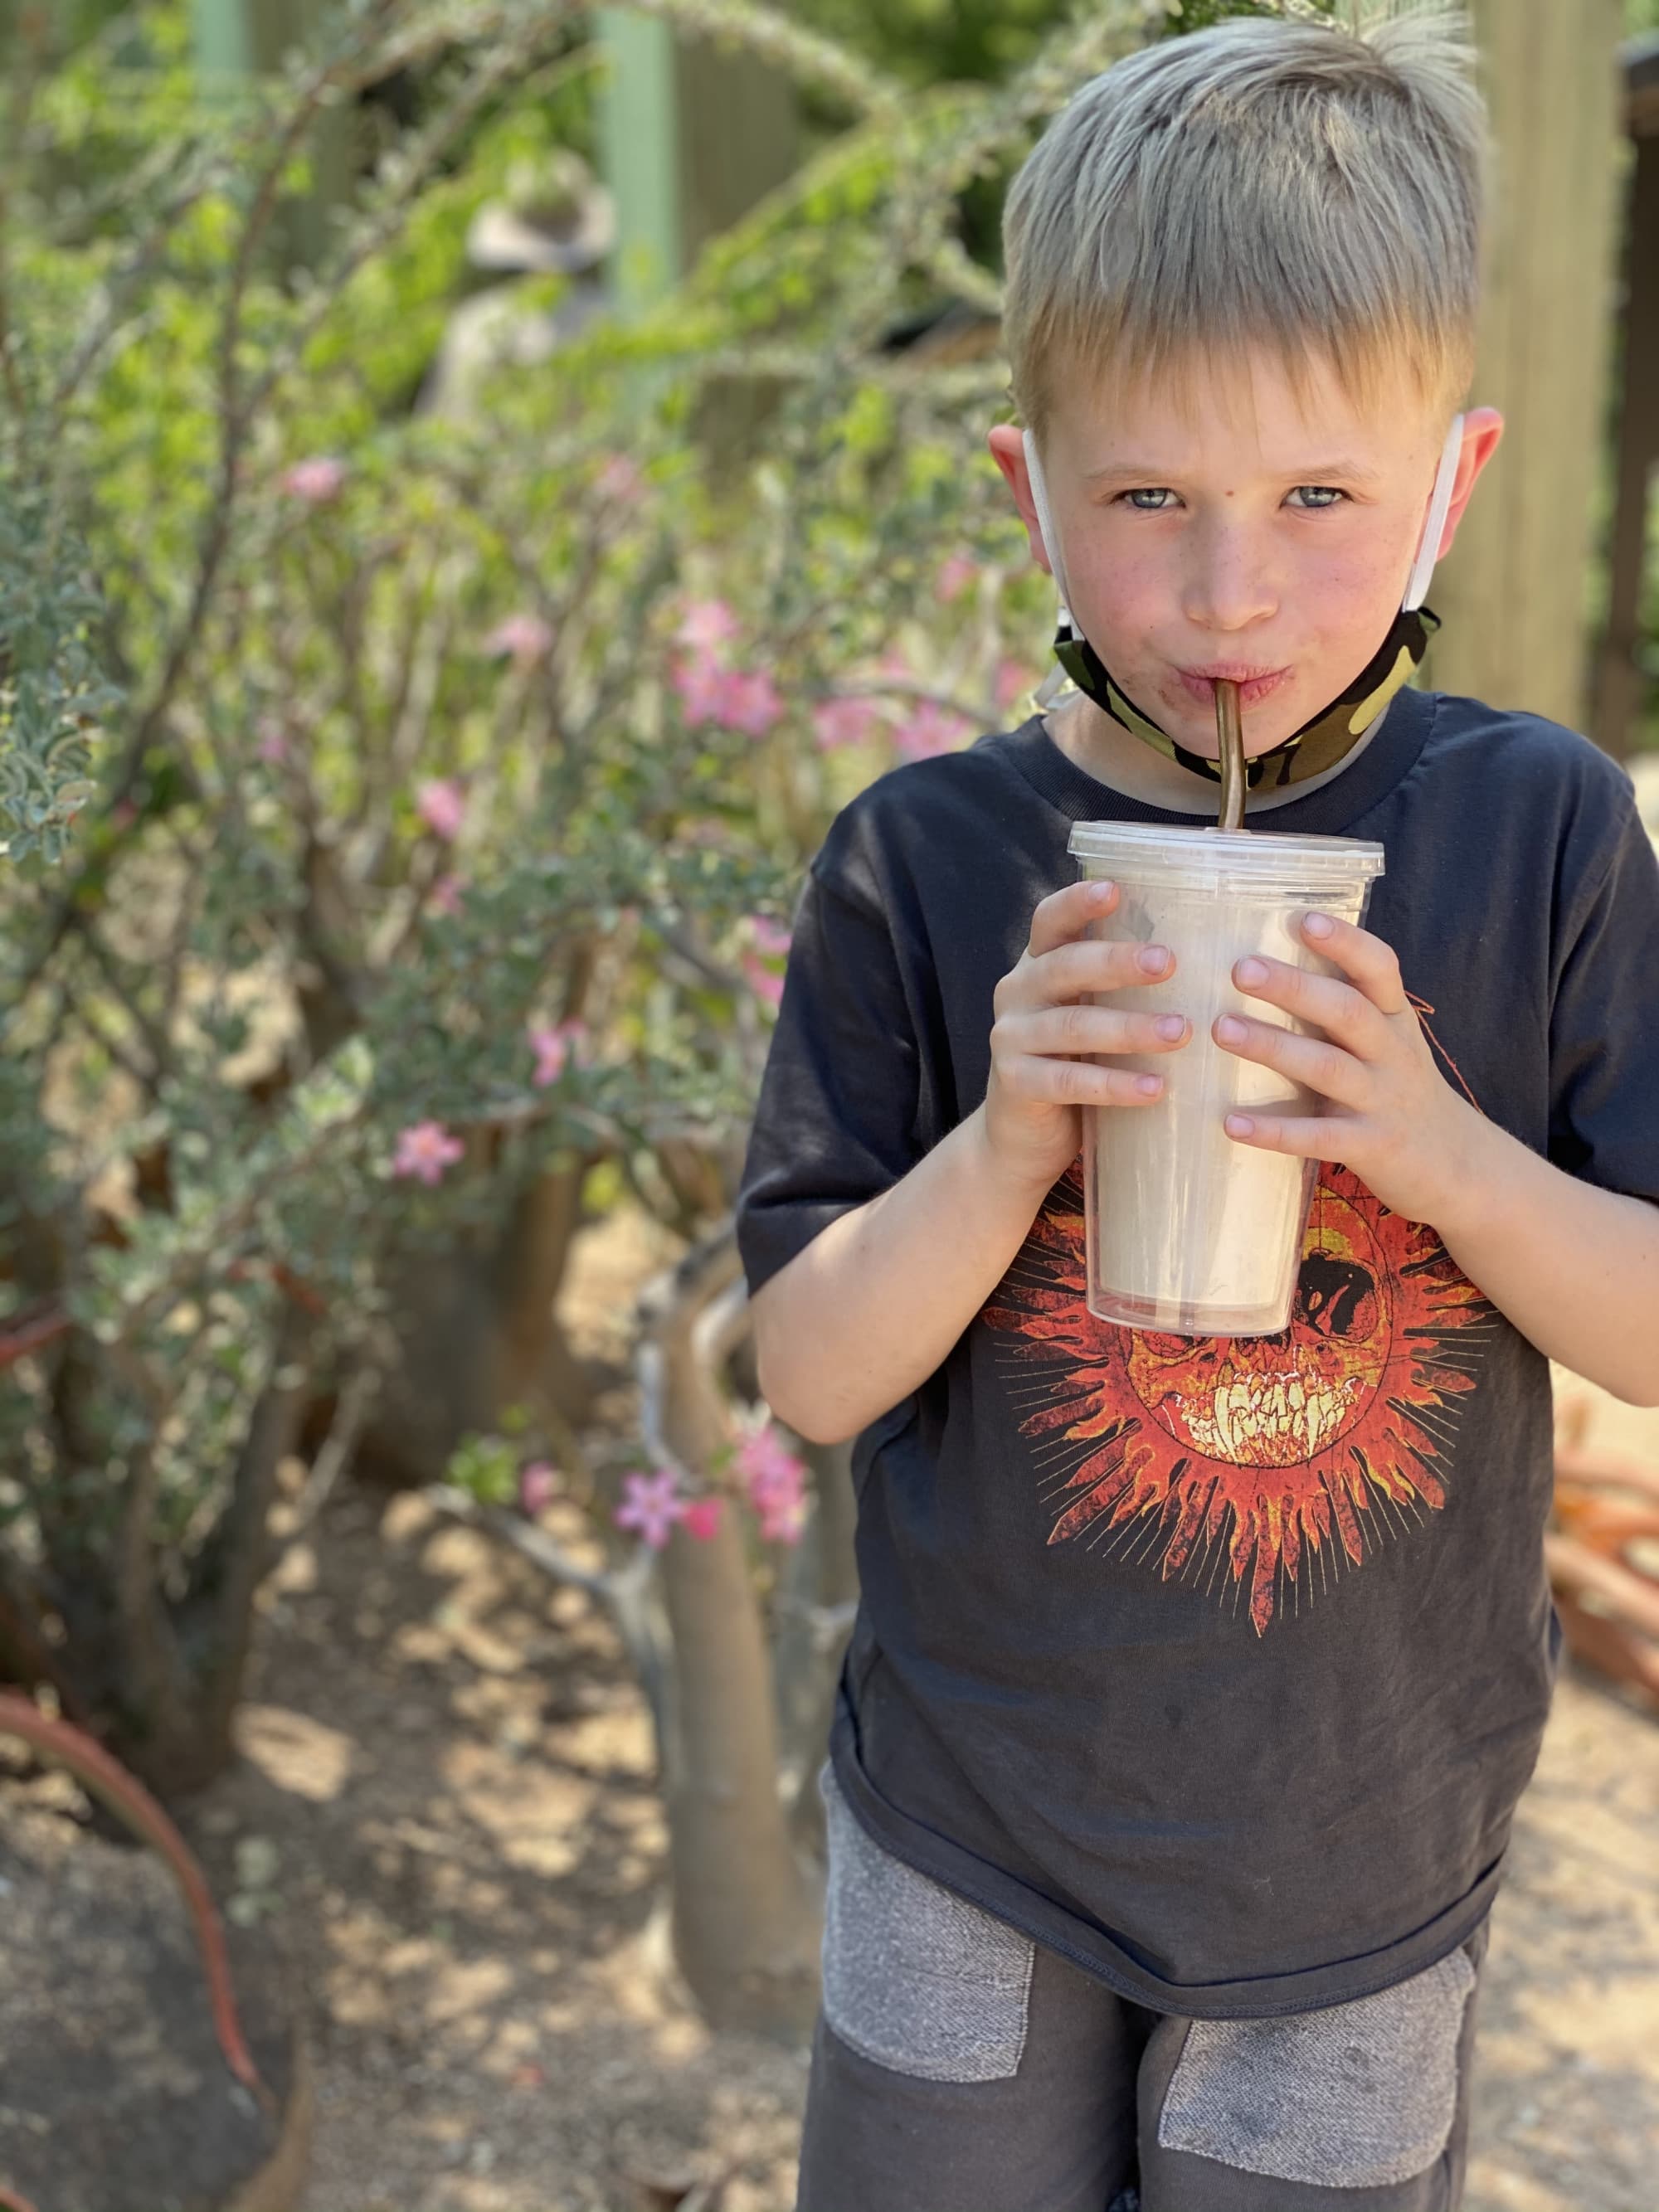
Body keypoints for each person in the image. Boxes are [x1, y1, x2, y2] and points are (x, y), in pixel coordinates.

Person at [734, 10, 1659, 2210]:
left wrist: (1441, 1155)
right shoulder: (923, 862)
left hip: (1364, 1857)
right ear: (1030, 496)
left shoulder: (1540, 835)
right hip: (972, 1829)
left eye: (1319, 498)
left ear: (1452, 483)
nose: (1229, 592)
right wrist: (1005, 1144)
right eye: (1147, 497)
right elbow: (809, 1371)